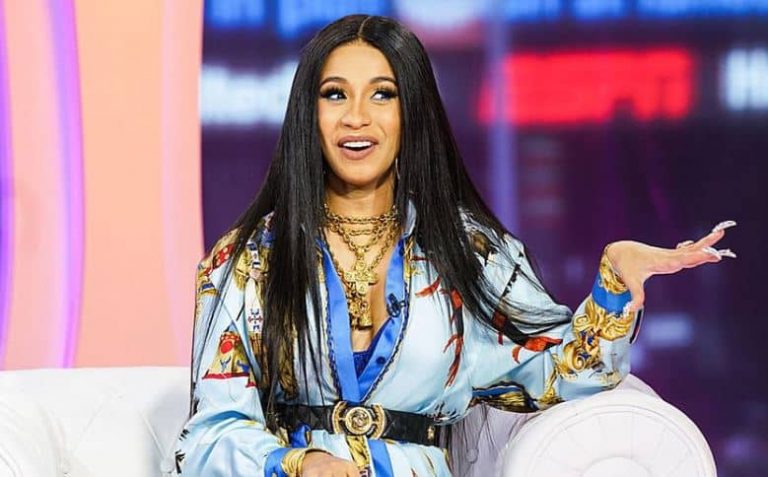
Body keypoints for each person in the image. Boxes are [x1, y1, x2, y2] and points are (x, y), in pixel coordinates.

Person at [173, 14, 735, 477]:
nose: (356, 117)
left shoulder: (469, 252)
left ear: (411, 112)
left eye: (383, 94)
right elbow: (208, 434)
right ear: (307, 112)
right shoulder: (247, 261)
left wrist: (615, 280)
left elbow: (560, 372)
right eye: (334, 94)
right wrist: (300, 464)